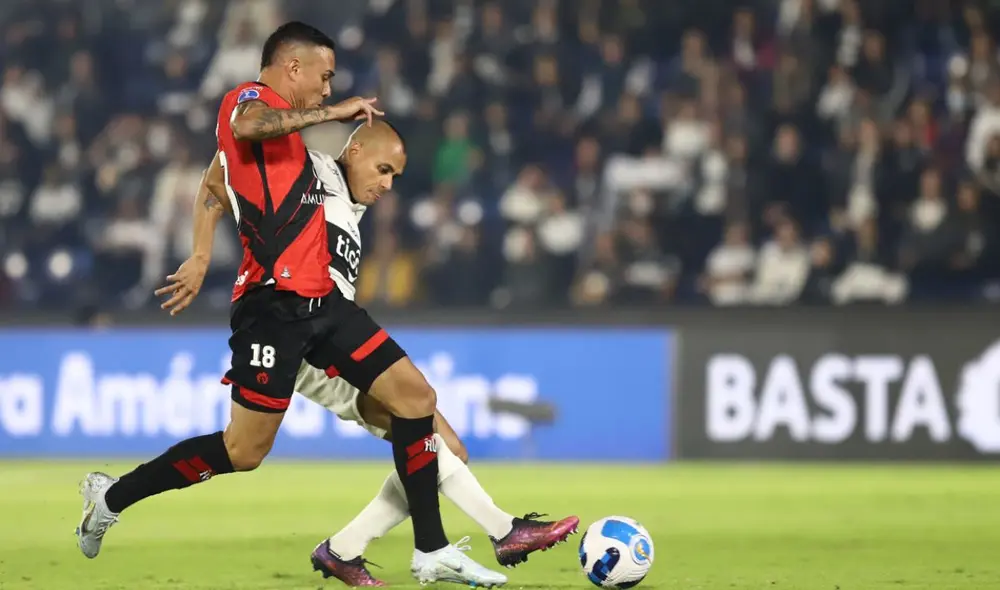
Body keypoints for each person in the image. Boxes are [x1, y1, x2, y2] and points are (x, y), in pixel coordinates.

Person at [76, 22, 501, 586]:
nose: (328, 90)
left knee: (415, 400)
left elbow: (215, 179)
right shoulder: (250, 103)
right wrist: (204, 253)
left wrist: (202, 250)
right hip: (269, 307)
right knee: (244, 451)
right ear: (292, 67)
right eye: (324, 77)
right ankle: (112, 496)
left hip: (323, 304)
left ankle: (431, 548)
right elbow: (243, 135)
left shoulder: (305, 139)